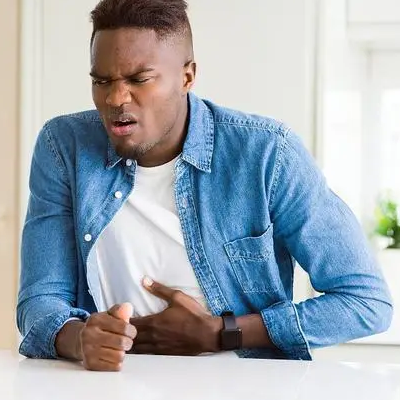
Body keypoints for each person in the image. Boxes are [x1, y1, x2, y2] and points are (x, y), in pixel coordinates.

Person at [17, 0, 392, 371]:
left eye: (139, 79)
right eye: (101, 81)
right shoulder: (63, 146)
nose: (115, 98)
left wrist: (221, 333)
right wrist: (79, 339)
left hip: (244, 385)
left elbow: (366, 302)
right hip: (112, 385)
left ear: (187, 76)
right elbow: (40, 299)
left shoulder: (267, 154)